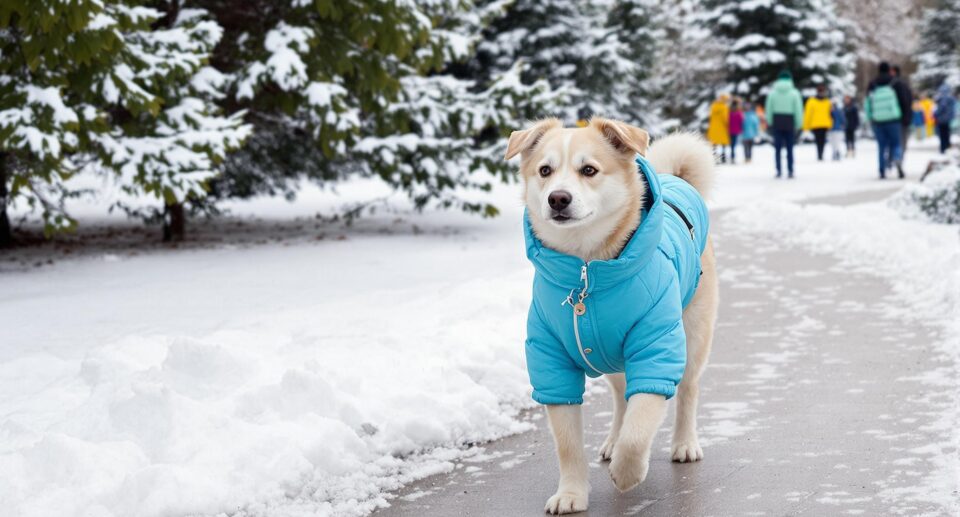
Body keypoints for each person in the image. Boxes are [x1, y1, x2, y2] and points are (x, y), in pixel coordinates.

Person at [865, 62, 905, 179]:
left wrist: (870, 117)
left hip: (878, 120)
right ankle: (897, 158)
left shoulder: (873, 83)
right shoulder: (895, 82)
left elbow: (868, 102)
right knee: (896, 143)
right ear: (889, 70)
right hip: (893, 119)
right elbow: (902, 100)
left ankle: (882, 170)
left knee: (881, 146)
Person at [765, 71, 803, 178]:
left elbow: (769, 109)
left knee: (777, 148)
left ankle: (778, 170)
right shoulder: (794, 93)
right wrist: (798, 123)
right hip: (789, 121)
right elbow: (798, 110)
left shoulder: (773, 93)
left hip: (777, 120)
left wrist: (770, 122)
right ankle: (790, 170)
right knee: (790, 148)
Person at [890, 65, 914, 162]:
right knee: (902, 141)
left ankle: (895, 159)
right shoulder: (904, 84)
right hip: (904, 118)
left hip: (894, 118)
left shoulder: (891, 85)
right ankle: (899, 158)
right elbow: (909, 101)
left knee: (895, 141)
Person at [803, 84, 833, 160]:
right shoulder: (827, 101)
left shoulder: (813, 101)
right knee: (821, 140)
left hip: (818, 124)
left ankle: (820, 154)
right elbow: (830, 113)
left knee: (819, 140)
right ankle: (820, 154)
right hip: (822, 124)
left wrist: (806, 125)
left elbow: (807, 114)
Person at [707, 93, 731, 162]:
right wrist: (728, 125)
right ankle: (723, 157)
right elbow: (725, 118)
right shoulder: (724, 107)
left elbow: (710, 116)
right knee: (723, 143)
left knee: (714, 143)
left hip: (713, 127)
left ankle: (714, 157)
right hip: (722, 128)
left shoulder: (713, 106)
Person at [934, 83, 957, 154]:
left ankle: (943, 148)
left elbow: (942, 107)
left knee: (942, 134)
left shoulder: (943, 98)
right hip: (948, 119)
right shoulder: (951, 98)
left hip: (942, 119)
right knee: (947, 133)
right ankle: (947, 146)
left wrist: (935, 113)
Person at [729, 98, 744, 163]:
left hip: (729, 130)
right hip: (736, 130)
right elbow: (741, 121)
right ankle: (733, 157)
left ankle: (732, 156)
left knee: (732, 144)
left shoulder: (729, 112)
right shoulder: (739, 112)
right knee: (733, 144)